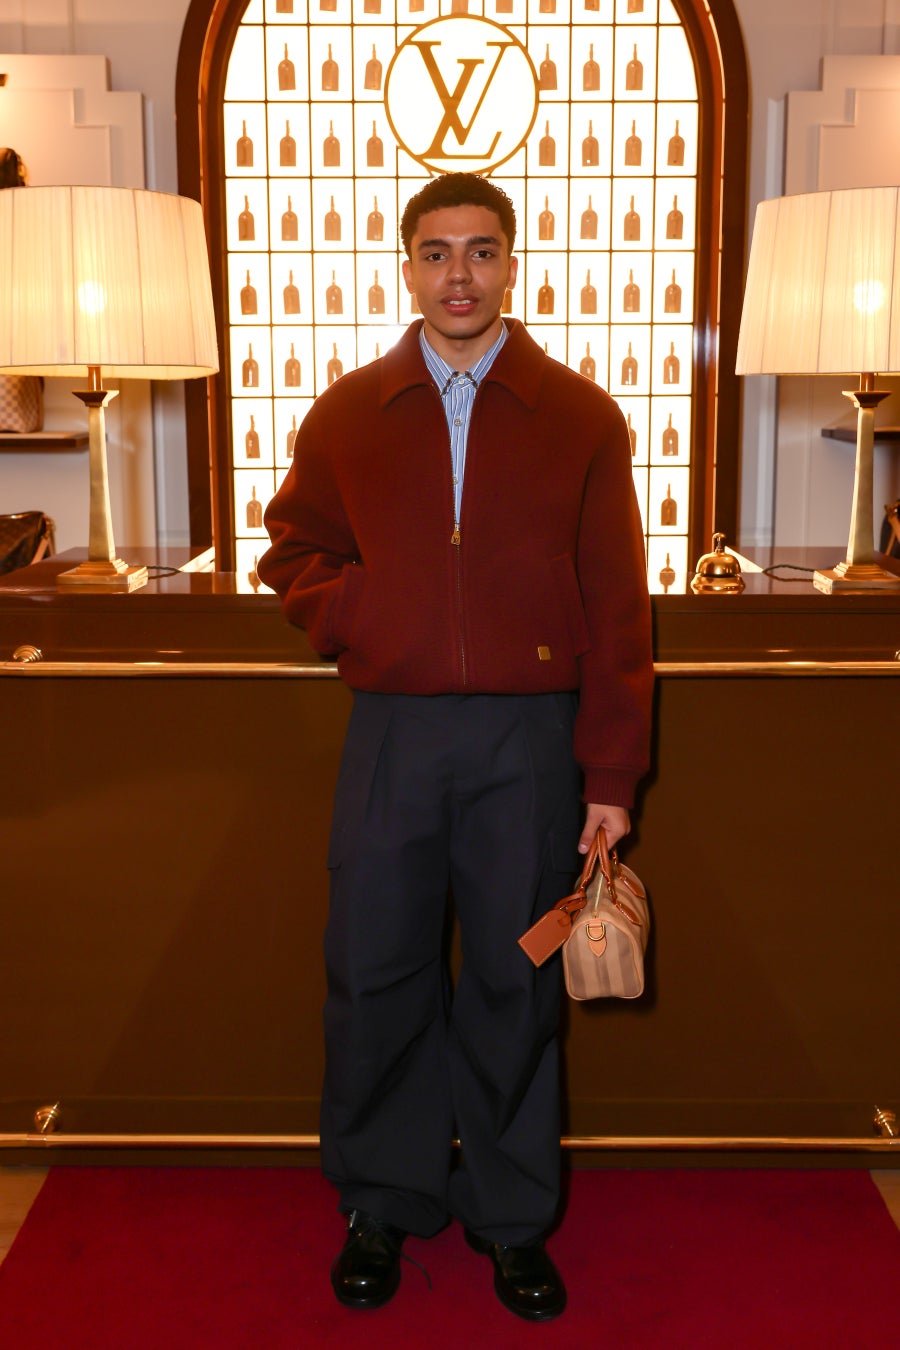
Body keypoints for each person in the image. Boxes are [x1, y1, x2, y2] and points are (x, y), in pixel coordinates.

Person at [258, 172, 653, 1322]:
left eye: (481, 251)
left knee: (513, 982)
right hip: (394, 733)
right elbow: (293, 552)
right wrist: (371, 617)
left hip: (531, 743)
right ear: (407, 268)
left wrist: (610, 776)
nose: (459, 275)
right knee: (374, 972)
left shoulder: (583, 417)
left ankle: (512, 1217)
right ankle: (383, 1200)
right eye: (436, 253)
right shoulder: (347, 413)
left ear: (513, 265)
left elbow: (620, 607)